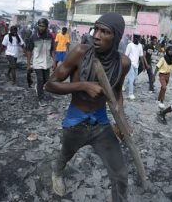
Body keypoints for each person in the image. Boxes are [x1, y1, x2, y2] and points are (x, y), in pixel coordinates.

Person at [45, 12, 130, 201]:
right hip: (76, 120)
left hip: (101, 123)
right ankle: (57, 172)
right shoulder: (80, 53)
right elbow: (49, 84)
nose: (97, 36)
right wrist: (82, 85)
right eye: (96, 29)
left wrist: (121, 120)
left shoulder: (123, 63)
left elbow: (117, 92)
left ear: (116, 37)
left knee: (121, 174)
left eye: (105, 32)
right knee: (65, 155)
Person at [25, 18, 55, 107]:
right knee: (40, 79)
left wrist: (54, 62)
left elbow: (52, 49)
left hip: (47, 62)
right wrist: (28, 64)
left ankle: (38, 87)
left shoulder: (50, 36)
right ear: (38, 25)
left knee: (46, 80)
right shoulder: (33, 37)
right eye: (40, 25)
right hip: (37, 62)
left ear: (46, 27)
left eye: (43, 26)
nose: (41, 28)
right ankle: (41, 99)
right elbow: (29, 51)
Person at [123, 33, 146, 100]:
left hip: (136, 65)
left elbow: (141, 56)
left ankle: (123, 86)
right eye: (138, 38)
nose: (139, 40)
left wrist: (143, 65)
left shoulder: (140, 46)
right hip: (130, 64)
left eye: (139, 38)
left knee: (134, 77)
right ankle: (131, 94)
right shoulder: (129, 45)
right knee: (131, 78)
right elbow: (126, 55)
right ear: (135, 38)